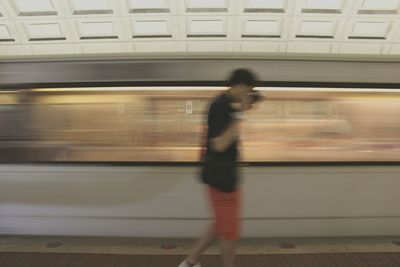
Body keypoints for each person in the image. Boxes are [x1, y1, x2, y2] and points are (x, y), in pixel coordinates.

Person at [178, 69, 260, 267]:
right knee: (230, 231)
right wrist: (241, 113)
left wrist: (241, 110)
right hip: (222, 179)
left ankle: (190, 262)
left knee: (221, 224)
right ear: (238, 86)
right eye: (247, 90)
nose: (247, 94)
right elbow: (219, 144)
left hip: (226, 175)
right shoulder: (220, 106)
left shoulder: (227, 105)